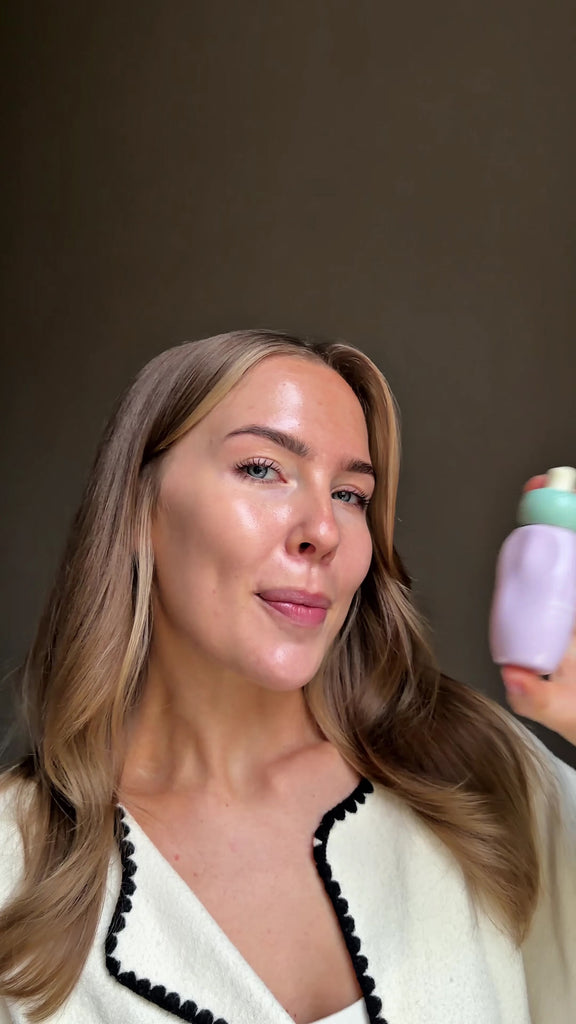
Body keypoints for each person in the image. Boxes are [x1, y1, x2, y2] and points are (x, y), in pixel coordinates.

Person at [0, 330, 574, 1024]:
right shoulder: (12, 862)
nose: (323, 530)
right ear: (138, 508)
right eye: (262, 469)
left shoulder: (480, 774)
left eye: (350, 494)